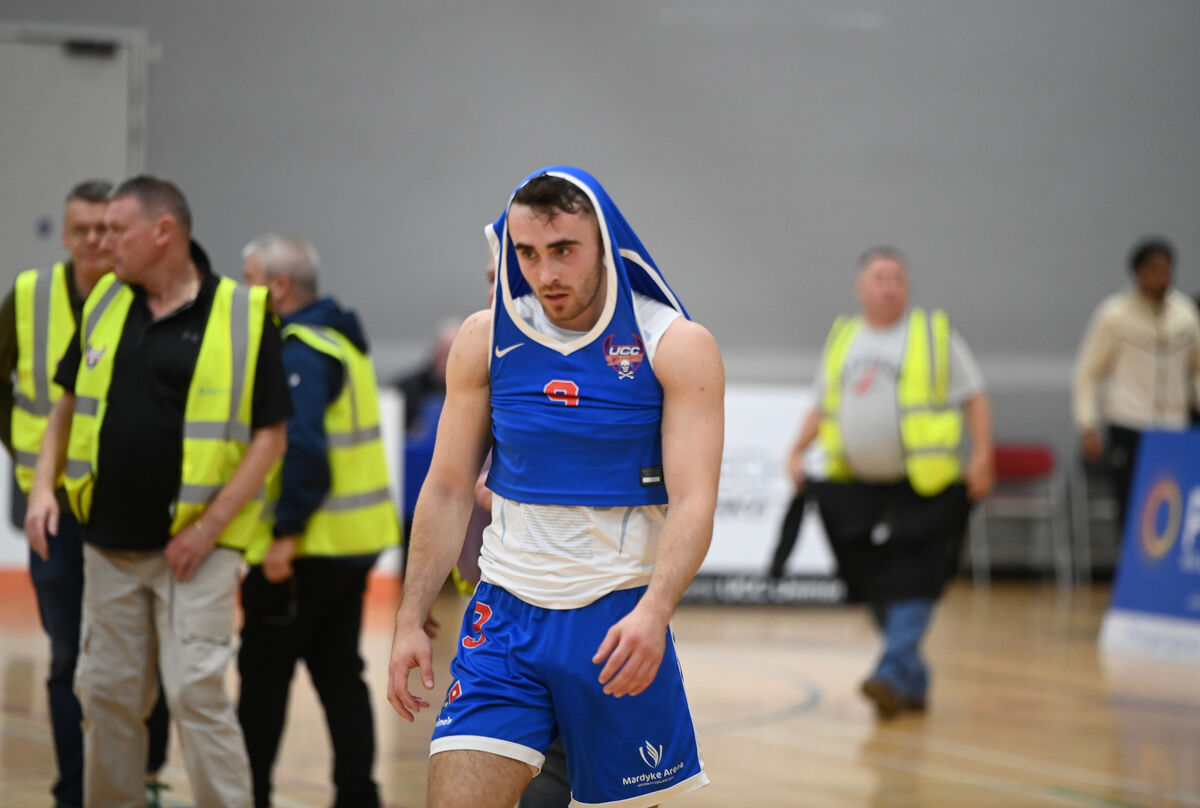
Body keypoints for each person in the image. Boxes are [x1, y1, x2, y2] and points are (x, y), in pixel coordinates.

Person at [386, 167, 723, 807]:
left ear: (604, 243)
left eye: (563, 250)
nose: (545, 275)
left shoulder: (675, 347)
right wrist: (408, 618)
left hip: (617, 622)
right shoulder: (483, 340)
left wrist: (654, 612)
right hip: (504, 618)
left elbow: (695, 500)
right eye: (528, 254)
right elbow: (450, 486)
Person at [24, 175, 290, 807]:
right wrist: (42, 489)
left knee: (197, 694)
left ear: (163, 231)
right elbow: (65, 406)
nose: (102, 243)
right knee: (107, 695)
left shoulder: (243, 314)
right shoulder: (105, 303)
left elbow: (270, 437)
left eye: (117, 230)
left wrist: (207, 528)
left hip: (198, 549)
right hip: (108, 547)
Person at [0, 179, 170, 807]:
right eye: (83, 230)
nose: (96, 240)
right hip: (50, 505)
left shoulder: (142, 297)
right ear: (66, 234)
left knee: (143, 651)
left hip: (121, 504)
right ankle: (75, 790)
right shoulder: (27, 296)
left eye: (107, 228)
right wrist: (28, 463)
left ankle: (146, 772)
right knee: (67, 655)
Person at [786, 247, 995, 720]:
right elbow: (822, 404)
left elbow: (974, 396)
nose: (888, 285)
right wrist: (797, 450)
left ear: (908, 287)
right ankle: (912, 680)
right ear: (861, 287)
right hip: (858, 487)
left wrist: (983, 454)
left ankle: (889, 671)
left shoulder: (933, 334)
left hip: (924, 487)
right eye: (879, 277)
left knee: (916, 581)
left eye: (897, 277)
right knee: (876, 587)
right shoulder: (844, 338)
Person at [238, 234, 401, 808]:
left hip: (307, 548)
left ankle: (248, 796)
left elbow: (304, 453)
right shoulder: (340, 341)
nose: (243, 289)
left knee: (262, 679)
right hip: (351, 547)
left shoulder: (301, 350)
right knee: (339, 677)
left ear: (278, 287)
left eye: (250, 276)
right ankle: (359, 796)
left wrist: (283, 536)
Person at [1073, 237, 1200, 531]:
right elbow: (1087, 373)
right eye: (1153, 268)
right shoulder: (1115, 315)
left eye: (1167, 268)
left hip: (1174, 426)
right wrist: (1087, 424)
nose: (1161, 276)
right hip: (1129, 423)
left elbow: (1196, 370)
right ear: (1137, 271)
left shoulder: (1185, 315)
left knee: (1174, 506)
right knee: (1132, 506)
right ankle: (1131, 574)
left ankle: (1167, 576)